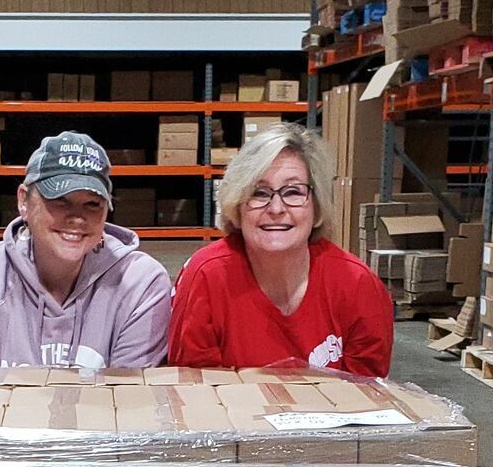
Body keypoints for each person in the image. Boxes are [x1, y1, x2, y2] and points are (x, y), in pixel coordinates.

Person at [0, 131, 172, 375]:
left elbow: (130, 400)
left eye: (92, 204)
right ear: (24, 201)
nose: (77, 217)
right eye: (60, 199)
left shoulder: (140, 283)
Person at [166, 125, 393, 376]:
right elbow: (193, 393)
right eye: (259, 193)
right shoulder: (206, 276)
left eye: (293, 191)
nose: (276, 208)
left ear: (316, 207)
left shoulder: (358, 285)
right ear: (237, 206)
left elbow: (367, 400)